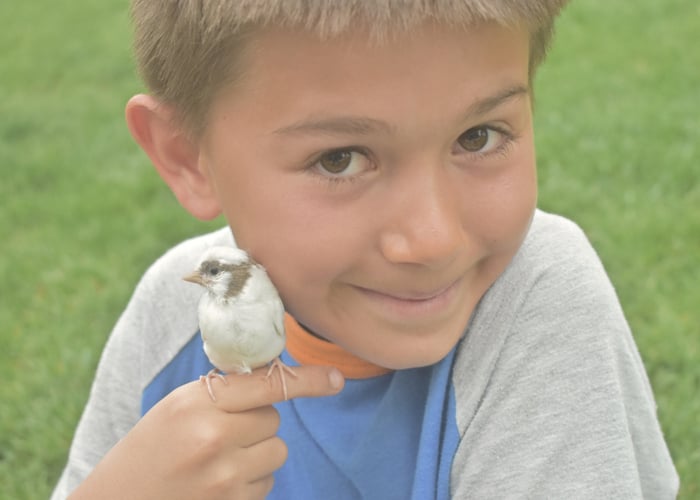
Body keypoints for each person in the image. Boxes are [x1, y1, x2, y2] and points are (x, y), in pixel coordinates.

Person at [52, 1, 679, 498]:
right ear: (188, 157)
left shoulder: (536, 298)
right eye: (339, 158)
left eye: (478, 135)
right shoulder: (171, 317)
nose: (432, 239)